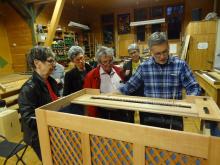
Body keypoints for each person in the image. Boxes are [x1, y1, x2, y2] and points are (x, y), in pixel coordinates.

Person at [119, 32, 201, 130]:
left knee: (173, 144)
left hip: (173, 115)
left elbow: (194, 87)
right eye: (157, 54)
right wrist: (114, 93)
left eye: (165, 52)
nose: (162, 57)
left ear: (168, 47)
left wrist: (190, 100)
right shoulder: (144, 66)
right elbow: (130, 86)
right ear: (151, 52)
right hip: (150, 116)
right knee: (150, 144)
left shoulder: (180, 65)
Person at [18, 46, 59, 160]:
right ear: (37, 63)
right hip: (38, 136)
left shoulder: (51, 81)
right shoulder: (28, 88)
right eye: (50, 61)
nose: (54, 64)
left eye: (54, 61)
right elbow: (29, 118)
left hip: (52, 129)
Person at [83, 46, 133, 123]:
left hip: (121, 111)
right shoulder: (91, 76)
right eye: (105, 62)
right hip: (103, 113)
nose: (108, 64)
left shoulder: (119, 71)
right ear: (99, 62)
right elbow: (87, 98)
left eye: (110, 61)